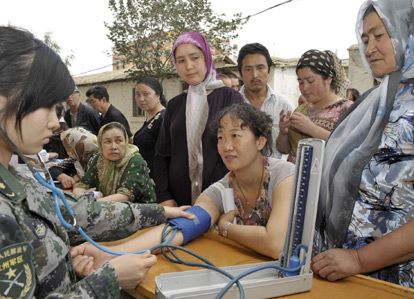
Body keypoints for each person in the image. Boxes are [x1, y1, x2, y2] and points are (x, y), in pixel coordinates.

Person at [0, 26, 194, 298]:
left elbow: (79, 214)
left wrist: (160, 213)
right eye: (46, 106)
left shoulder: (14, 180)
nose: (56, 122)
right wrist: (108, 280)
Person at [311, 0, 414, 296]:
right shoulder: (379, 96)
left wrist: (361, 259)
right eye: (364, 39)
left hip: (400, 275)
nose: (369, 47)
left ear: (411, 31)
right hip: (348, 271)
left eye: (380, 35)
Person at [71, 103, 295, 275]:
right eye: (220, 138)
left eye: (236, 136)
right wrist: (112, 253)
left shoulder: (283, 176)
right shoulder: (222, 188)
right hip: (248, 273)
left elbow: (275, 244)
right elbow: (181, 227)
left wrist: (226, 228)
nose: (226, 146)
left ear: (260, 141)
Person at [154, 31, 243, 207]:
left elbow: (239, 149)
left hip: (221, 199)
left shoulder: (230, 98)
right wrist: (164, 196)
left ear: (207, 59)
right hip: (179, 202)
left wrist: (220, 196)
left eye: (194, 58)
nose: (188, 66)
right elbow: (162, 154)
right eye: (181, 61)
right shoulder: (175, 105)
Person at [276, 49, 352, 162]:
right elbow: (284, 150)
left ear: (328, 79)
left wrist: (312, 129)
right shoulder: (300, 110)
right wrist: (283, 132)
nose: (304, 88)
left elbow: (349, 147)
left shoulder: (347, 110)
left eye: (310, 81)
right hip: (294, 177)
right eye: (301, 82)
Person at [73, 122, 156, 203]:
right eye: (108, 141)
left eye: (119, 141)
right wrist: (83, 197)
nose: (113, 147)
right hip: (106, 207)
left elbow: (125, 195)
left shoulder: (135, 161)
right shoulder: (99, 159)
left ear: (126, 142)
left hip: (140, 211)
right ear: (101, 144)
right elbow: (81, 185)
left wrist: (93, 203)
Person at [237, 43, 294, 159]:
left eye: (260, 68)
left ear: (269, 70)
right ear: (240, 73)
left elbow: (290, 148)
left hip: (277, 174)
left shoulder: (284, 105)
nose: (255, 75)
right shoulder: (232, 103)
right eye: (248, 69)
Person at [133, 77, 167, 179]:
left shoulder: (162, 118)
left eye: (146, 94)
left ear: (157, 95)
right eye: (137, 94)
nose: (141, 98)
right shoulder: (150, 118)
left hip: (158, 179)